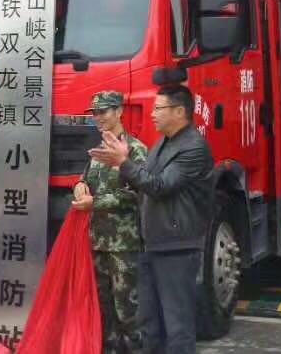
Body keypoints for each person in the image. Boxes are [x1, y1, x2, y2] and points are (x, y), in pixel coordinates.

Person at [89, 85, 214, 354]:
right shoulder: (162, 144)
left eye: (158, 108)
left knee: (177, 326)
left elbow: (160, 186)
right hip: (152, 243)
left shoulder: (193, 147)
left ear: (179, 111)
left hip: (176, 246)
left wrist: (123, 162)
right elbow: (143, 182)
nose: (152, 114)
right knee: (149, 324)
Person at [73, 91, 148, 354]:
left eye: (103, 111)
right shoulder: (99, 151)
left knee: (127, 308)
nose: (98, 117)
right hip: (98, 242)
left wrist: (95, 202)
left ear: (119, 111)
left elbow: (138, 194)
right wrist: (79, 186)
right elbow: (86, 179)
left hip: (123, 245)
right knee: (103, 307)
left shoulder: (135, 150)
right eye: (94, 113)